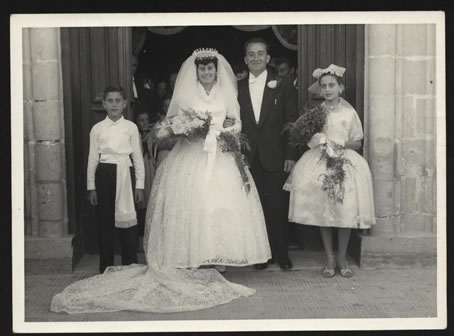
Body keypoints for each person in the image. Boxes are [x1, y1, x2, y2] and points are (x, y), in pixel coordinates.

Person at [50, 48, 271, 314]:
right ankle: (194, 256)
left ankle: (216, 255)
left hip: (220, 153)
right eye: (202, 70)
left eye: (210, 69)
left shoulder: (226, 93)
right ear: (196, 72)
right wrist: (189, 130)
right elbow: (174, 124)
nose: (207, 73)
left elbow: (237, 124)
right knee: (195, 204)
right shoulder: (188, 94)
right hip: (192, 154)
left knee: (218, 204)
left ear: (216, 70)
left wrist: (222, 132)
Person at [284, 64, 376, 278]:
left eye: (331, 85)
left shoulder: (349, 111)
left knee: (344, 210)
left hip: (344, 161)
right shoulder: (316, 112)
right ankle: (329, 257)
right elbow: (305, 136)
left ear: (340, 88)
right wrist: (314, 139)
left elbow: (357, 142)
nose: (327, 89)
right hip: (320, 161)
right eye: (323, 86)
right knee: (323, 209)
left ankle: (342, 257)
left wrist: (338, 143)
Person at [237, 38, 299, 270]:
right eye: (251, 54)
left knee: (277, 206)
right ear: (245, 59)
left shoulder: (282, 85)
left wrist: (291, 155)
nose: (255, 58)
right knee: (256, 207)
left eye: (260, 53)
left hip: (276, 155)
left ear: (268, 58)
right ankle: (261, 255)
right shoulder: (238, 87)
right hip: (248, 156)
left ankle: (281, 253)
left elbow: (291, 121)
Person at [86, 86, 145, 273]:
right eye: (110, 101)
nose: (114, 104)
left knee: (128, 222)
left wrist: (140, 185)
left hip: (126, 174)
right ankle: (106, 267)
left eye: (118, 101)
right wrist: (91, 187)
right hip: (104, 173)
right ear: (103, 104)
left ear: (125, 104)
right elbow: (93, 159)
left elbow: (137, 158)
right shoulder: (97, 129)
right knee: (105, 221)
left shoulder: (131, 128)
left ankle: (130, 267)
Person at [135, 110, 157, 236]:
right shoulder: (135, 134)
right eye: (141, 120)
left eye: (146, 120)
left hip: (150, 165)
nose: (144, 123)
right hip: (141, 165)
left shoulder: (153, 134)